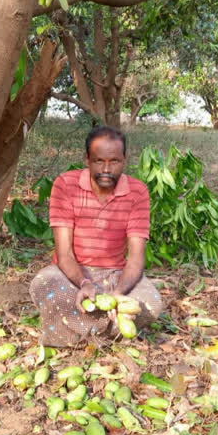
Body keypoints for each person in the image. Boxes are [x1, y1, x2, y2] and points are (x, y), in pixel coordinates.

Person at [29, 126, 164, 346]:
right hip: (70, 273)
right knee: (45, 286)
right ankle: (111, 327)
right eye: (99, 161)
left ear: (125, 159)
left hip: (114, 274)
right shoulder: (65, 185)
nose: (106, 169)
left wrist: (118, 293)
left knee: (152, 303)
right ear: (87, 160)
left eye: (114, 161)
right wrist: (84, 283)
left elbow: (136, 258)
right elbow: (64, 255)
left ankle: (81, 329)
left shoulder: (137, 191)